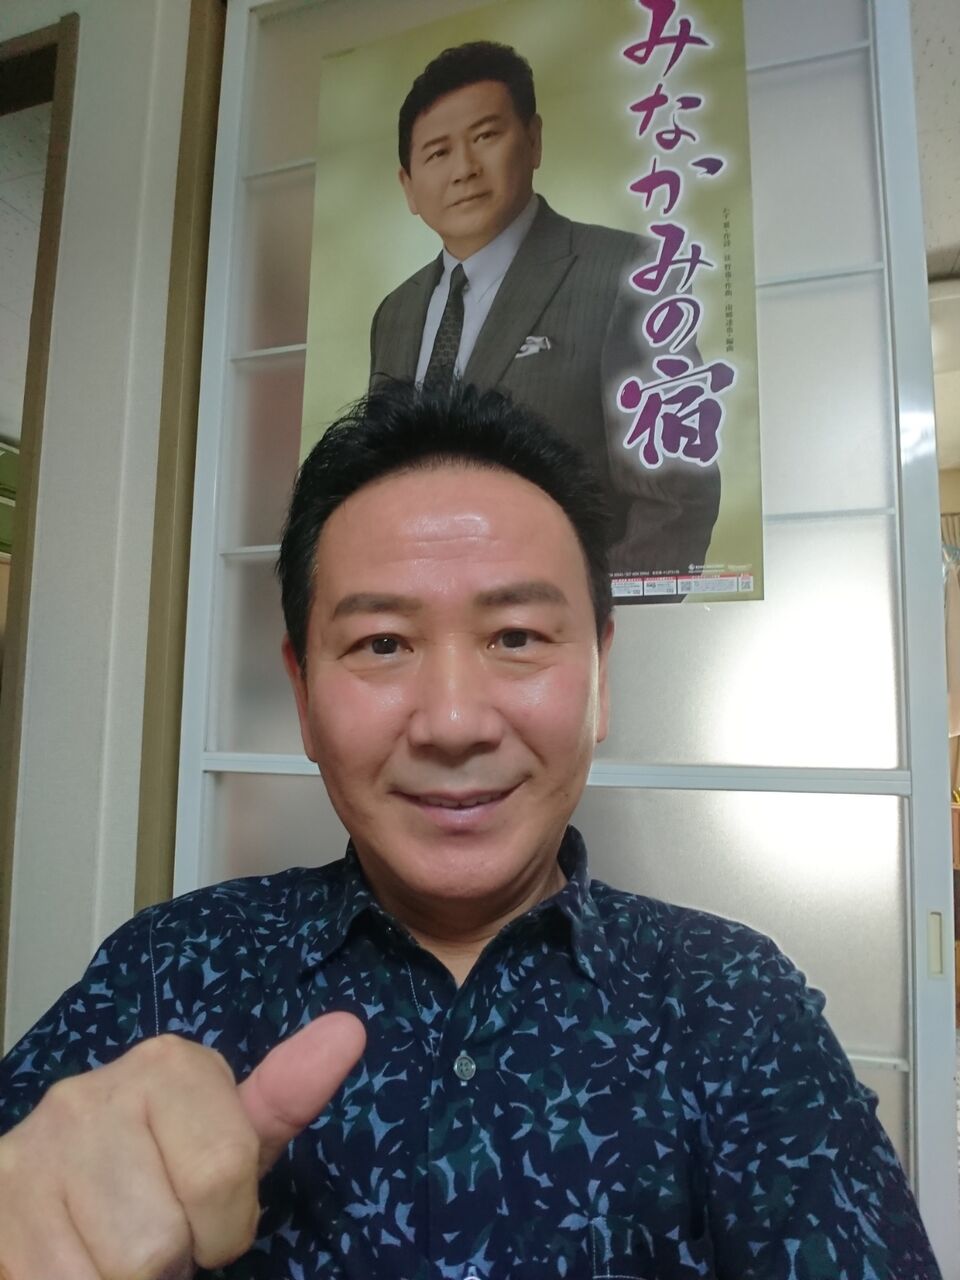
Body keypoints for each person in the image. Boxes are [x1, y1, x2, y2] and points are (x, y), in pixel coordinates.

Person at [0, 381, 941, 1280]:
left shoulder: (735, 1003)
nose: (453, 723)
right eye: (382, 644)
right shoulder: (167, 972)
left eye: (516, 637)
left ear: (601, 676)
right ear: (302, 692)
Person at [369, 41, 721, 586]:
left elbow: (677, 500)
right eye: (437, 153)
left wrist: (585, 623)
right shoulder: (395, 312)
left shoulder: (627, 271)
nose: (464, 169)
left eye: (486, 137)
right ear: (408, 187)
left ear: (533, 140)